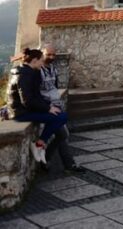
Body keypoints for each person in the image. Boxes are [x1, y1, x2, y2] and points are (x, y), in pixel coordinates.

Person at [7, 48, 68, 166]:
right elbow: (27, 100)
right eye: (41, 60)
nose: (42, 63)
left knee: (59, 114)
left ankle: (40, 144)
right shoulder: (25, 74)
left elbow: (36, 96)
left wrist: (49, 106)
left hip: (24, 110)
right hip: (20, 113)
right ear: (34, 60)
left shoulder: (28, 72)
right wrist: (48, 109)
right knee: (61, 117)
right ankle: (39, 144)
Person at [40, 44, 84, 173]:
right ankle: (66, 164)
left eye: (53, 54)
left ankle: (47, 159)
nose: (51, 57)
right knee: (63, 134)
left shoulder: (53, 68)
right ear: (42, 53)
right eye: (48, 54)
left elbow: (54, 88)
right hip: (47, 109)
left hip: (56, 107)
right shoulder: (38, 71)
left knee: (63, 135)